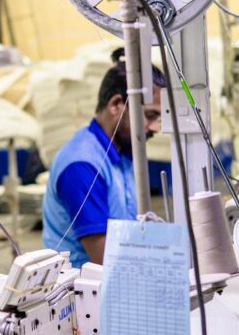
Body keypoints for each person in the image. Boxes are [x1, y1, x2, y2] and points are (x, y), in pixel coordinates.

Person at [42, 49, 164, 267]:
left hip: (112, 280)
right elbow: (103, 257)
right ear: (116, 104)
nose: (155, 127)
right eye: (150, 115)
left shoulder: (120, 153)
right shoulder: (83, 165)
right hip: (80, 292)